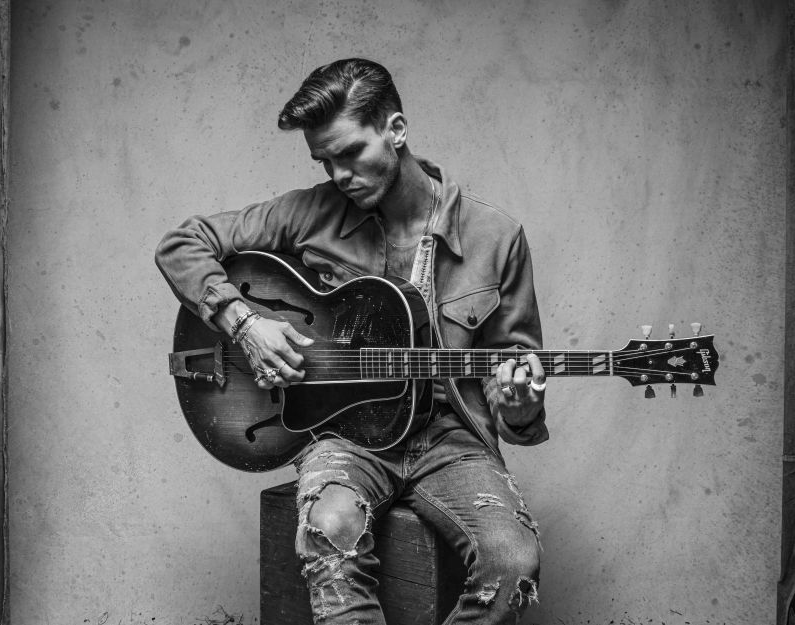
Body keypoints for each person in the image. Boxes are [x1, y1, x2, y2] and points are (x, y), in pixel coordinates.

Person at [155, 58, 548, 624]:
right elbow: (182, 244)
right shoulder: (309, 212)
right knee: (328, 528)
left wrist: (521, 404)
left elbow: (513, 380)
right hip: (345, 436)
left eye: (350, 153)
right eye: (324, 160)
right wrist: (244, 324)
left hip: (449, 439)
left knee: (513, 562)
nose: (339, 174)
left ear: (395, 130)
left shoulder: (498, 237)